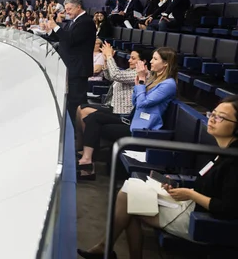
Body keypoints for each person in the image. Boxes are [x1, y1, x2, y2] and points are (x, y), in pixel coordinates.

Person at [78, 95, 238, 259]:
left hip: (200, 219)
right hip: (191, 204)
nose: (212, 119)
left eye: (221, 117)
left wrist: (190, 194)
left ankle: (105, 248)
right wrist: (179, 188)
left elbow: (227, 208)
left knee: (127, 201)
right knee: (129, 188)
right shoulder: (222, 152)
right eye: (213, 114)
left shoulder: (233, 162)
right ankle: (106, 249)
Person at [77, 47, 178, 180]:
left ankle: (88, 164)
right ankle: (87, 160)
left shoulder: (168, 84)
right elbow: (136, 102)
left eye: (155, 59)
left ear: (166, 63)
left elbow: (143, 103)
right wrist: (139, 85)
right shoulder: (155, 79)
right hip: (134, 120)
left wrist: (141, 81)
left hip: (143, 129)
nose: (151, 62)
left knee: (96, 123)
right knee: (93, 117)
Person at [76, 44, 148, 152]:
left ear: (144, 61)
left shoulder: (139, 74)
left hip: (122, 111)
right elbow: (109, 76)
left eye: (133, 58)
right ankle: (81, 145)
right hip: (112, 105)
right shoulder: (130, 70)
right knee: (80, 109)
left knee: (85, 112)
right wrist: (106, 60)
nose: (129, 61)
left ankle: (90, 149)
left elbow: (116, 75)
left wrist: (110, 56)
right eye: (130, 58)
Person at [46, 0, 97, 119]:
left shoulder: (86, 21)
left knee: (77, 102)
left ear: (78, 7)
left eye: (69, 9)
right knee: (70, 101)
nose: (67, 12)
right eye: (66, 9)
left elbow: (70, 39)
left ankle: (79, 131)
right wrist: (50, 30)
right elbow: (62, 38)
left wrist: (56, 27)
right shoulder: (73, 22)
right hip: (70, 67)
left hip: (78, 69)